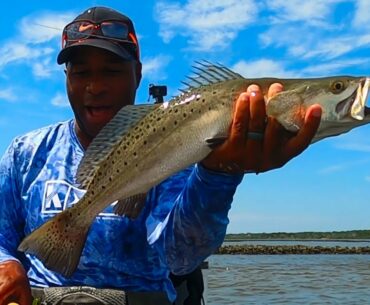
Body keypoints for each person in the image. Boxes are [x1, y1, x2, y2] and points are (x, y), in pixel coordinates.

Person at [0, 6, 322, 305]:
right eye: (81, 73)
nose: (95, 87)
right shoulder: (25, 154)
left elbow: (181, 257)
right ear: (67, 78)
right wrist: (7, 263)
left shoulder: (173, 152)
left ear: (137, 75)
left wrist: (218, 175)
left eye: (111, 71)